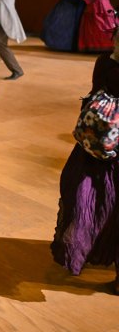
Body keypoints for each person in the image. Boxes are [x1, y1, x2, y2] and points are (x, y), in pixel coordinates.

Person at [51, 32, 119, 294]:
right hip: (96, 148)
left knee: (98, 204)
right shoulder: (104, 62)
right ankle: (84, 250)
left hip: (98, 147)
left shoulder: (104, 62)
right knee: (86, 200)